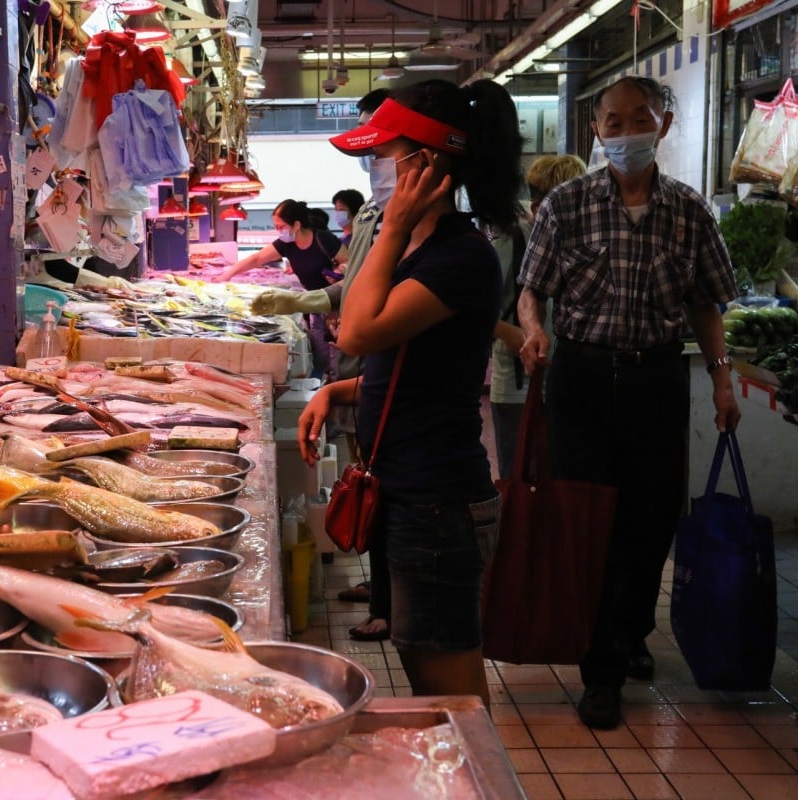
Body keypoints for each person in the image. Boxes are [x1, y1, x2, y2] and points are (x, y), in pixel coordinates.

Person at [516, 76, 740, 729]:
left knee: (652, 518)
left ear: (663, 124)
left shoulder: (691, 211)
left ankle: (630, 628)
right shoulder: (566, 205)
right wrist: (533, 329)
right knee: (590, 519)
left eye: (637, 119)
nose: (624, 132)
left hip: (657, 378)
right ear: (595, 130)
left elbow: (706, 303)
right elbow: (533, 289)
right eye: (612, 122)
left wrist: (723, 378)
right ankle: (601, 669)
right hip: (582, 377)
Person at [299, 79, 524, 705]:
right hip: (412, 493)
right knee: (425, 670)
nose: (376, 171)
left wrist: (393, 224)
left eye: (383, 155)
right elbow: (413, 363)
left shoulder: (461, 257)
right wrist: (339, 393)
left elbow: (359, 328)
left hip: (437, 501)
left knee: (449, 696)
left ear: (425, 162)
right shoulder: (425, 250)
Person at [251, 88, 393, 641]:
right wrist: (303, 301)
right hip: (364, 375)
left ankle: (389, 599)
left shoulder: (416, 232)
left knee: (387, 480)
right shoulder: (376, 219)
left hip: (387, 380)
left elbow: (357, 305)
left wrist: (314, 304)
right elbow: (349, 292)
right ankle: (378, 582)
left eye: (382, 146)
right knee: (369, 471)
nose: (371, 159)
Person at [488, 154, 587, 479]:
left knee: (566, 482)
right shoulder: (513, 238)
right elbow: (473, 309)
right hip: (520, 387)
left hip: (570, 383)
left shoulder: (583, 241)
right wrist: (513, 334)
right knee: (523, 486)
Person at [218, 199, 346, 380]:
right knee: (321, 356)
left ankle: (338, 388)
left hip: (336, 305)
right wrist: (226, 275)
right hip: (313, 307)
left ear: (297, 224)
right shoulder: (286, 244)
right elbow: (257, 258)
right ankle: (324, 385)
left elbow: (350, 262)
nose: (279, 231)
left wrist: (340, 271)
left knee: (339, 356)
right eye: (276, 227)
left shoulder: (323, 239)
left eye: (281, 226)